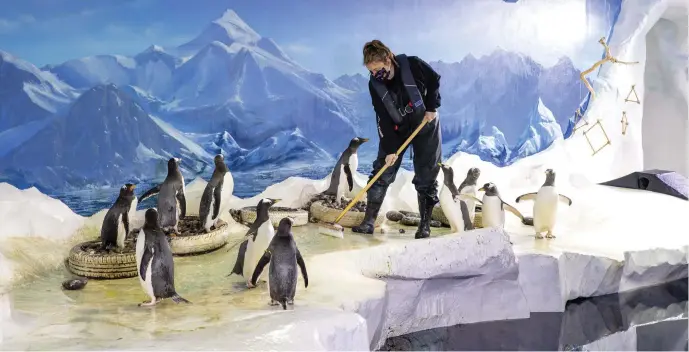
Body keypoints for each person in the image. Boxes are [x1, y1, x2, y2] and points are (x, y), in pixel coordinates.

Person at [352, 39, 442, 239]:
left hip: (425, 123)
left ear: (388, 59)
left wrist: (431, 106)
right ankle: (368, 222)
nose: (376, 75)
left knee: (427, 174)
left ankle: (424, 226)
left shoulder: (413, 64)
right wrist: (391, 149)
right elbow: (382, 116)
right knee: (382, 170)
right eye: (371, 71)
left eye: (378, 69)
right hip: (397, 128)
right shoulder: (375, 85)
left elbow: (434, 79)